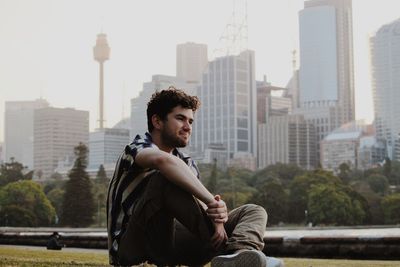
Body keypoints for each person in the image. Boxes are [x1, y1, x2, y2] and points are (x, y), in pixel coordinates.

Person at [107, 87, 284, 267]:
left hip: (174, 245)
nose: (187, 127)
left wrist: (218, 218)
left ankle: (239, 254)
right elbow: (163, 162)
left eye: (190, 121)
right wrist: (212, 202)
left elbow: (194, 207)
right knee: (163, 179)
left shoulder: (187, 163)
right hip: (132, 249)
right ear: (157, 121)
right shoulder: (136, 149)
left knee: (253, 211)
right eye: (180, 119)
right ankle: (230, 253)